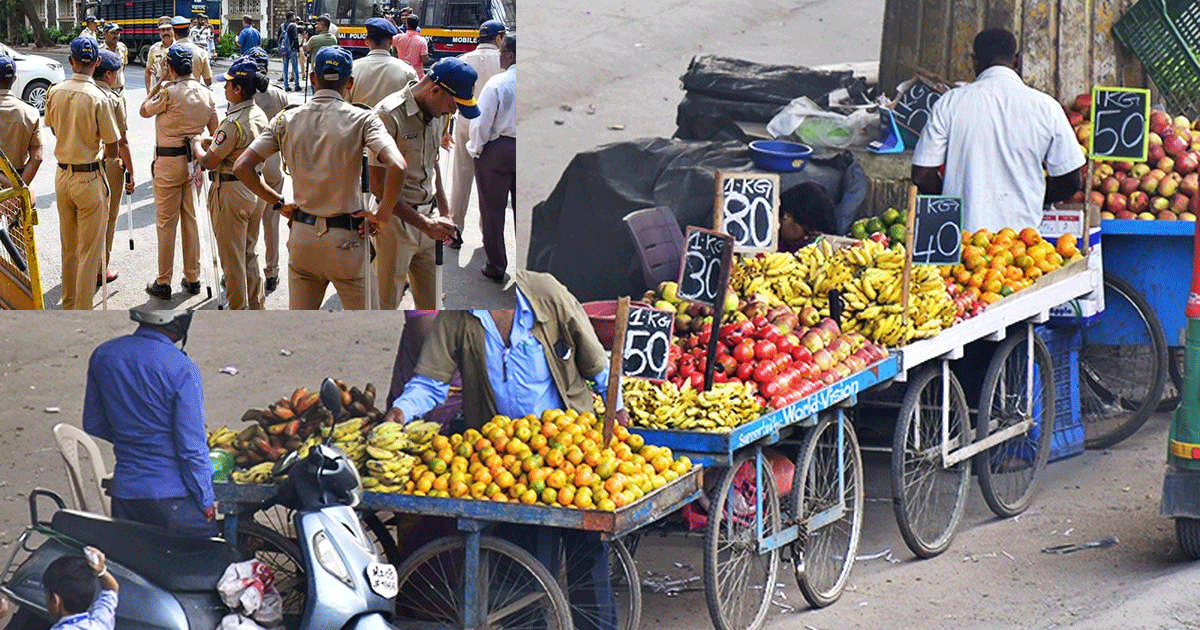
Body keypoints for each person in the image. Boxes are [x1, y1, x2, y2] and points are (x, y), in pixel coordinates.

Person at [385, 271, 625, 630]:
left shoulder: (547, 294)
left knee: (585, 555)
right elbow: (430, 383)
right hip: (506, 460)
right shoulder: (459, 316)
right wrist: (400, 412)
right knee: (518, 563)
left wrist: (616, 412)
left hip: (573, 451)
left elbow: (598, 365)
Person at [234, 46, 407, 310]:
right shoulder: (363, 119)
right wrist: (382, 215)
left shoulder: (286, 119)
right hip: (346, 240)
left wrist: (279, 203)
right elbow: (397, 165)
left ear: (313, 78)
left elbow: (242, 167)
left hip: (303, 236)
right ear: (349, 83)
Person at [911, 28, 1084, 232]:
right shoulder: (1046, 107)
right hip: (1023, 245)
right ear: (1017, 60)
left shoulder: (950, 103)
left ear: (974, 61)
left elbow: (922, 175)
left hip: (962, 240)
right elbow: (1072, 179)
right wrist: (1038, 197)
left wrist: (949, 203)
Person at [83, 310, 217, 537]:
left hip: (125, 495)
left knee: (135, 566)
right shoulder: (183, 368)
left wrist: (132, 438)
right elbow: (191, 446)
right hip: (173, 499)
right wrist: (206, 499)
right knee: (213, 559)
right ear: (178, 321)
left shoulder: (104, 355)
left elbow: (93, 422)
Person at [371, 57, 475, 309]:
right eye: (453, 104)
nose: (453, 112)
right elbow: (378, 187)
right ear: (435, 90)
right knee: (386, 304)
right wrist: (425, 224)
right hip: (396, 225)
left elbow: (433, 163)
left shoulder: (437, 113)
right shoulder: (388, 115)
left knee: (430, 308)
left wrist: (446, 213)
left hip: (429, 221)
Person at [44, 38, 120, 310]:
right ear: (97, 62)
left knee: (70, 249)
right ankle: (82, 312)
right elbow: (112, 148)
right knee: (89, 254)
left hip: (63, 176)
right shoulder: (100, 97)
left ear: (71, 60)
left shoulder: (55, 91)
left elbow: (53, 128)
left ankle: (69, 305)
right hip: (89, 177)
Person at [140, 43, 218, 301]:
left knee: (166, 224)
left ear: (170, 67)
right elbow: (215, 133)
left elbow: (143, 110)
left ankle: (164, 281)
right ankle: (193, 277)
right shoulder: (207, 94)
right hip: (194, 164)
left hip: (168, 164)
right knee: (191, 220)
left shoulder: (168, 92)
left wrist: (160, 79)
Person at [190, 58, 269, 310]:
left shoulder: (233, 122)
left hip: (232, 192)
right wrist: (213, 141)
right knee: (249, 254)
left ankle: (238, 311)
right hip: (254, 187)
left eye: (229, 84)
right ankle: (256, 307)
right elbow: (239, 145)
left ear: (237, 89)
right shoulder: (257, 114)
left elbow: (210, 162)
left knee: (232, 261)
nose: (224, 88)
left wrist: (196, 146)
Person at [447, 19, 504, 246]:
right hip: (494, 127)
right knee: (488, 181)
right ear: (499, 38)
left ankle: (455, 228)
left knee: (461, 177)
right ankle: (486, 232)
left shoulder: (463, 60)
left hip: (465, 121)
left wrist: (444, 129)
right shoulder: (505, 62)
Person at [469, 34, 515, 283]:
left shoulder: (498, 83)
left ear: (511, 55)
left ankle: (496, 265)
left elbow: (482, 122)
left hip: (498, 151)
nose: (500, 55)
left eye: (502, 51)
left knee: (492, 210)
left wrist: (476, 149)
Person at [245, 47, 288, 293]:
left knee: (247, 222)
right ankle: (271, 272)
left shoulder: (244, 93)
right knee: (271, 222)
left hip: (250, 163)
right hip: (273, 163)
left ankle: (243, 267)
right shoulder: (278, 95)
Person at [95, 51, 134, 287]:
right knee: (107, 219)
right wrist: (131, 170)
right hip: (107, 164)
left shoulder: (68, 92)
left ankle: (81, 267)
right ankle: (100, 269)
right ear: (108, 74)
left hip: (74, 166)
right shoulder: (112, 99)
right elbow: (122, 142)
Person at [42, 547, 118, 630]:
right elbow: (111, 589)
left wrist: (101, 571)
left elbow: (111, 589)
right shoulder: (100, 624)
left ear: (55, 600)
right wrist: (101, 571)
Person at [347, 17, 416, 108]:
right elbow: (414, 107)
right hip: (392, 122)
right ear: (391, 41)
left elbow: (344, 105)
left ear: (367, 41)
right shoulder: (407, 71)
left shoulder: (352, 69)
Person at [0, 54, 43, 189]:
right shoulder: (30, 112)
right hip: (20, 182)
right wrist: (17, 189)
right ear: (14, 79)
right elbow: (37, 157)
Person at [169, 15, 213, 87]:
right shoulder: (201, 52)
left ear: (174, 34)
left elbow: (160, 78)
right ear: (188, 32)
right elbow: (208, 81)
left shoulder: (167, 52)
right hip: (194, 95)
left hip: (173, 95)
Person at [391, 15, 427, 79]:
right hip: (417, 76)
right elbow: (424, 60)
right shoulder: (422, 41)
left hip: (401, 73)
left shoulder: (398, 38)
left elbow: (386, 43)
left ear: (407, 24)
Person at [144, 17, 174, 88]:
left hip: (176, 92)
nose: (165, 33)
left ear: (173, 30)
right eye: (163, 30)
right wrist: (149, 91)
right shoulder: (154, 49)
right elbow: (148, 72)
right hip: (160, 92)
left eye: (168, 29)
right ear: (159, 32)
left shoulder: (180, 47)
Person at [100, 24, 127, 97]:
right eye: (113, 33)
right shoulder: (100, 51)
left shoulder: (122, 48)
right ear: (105, 34)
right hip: (106, 92)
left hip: (121, 91)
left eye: (118, 33)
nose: (116, 36)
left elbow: (123, 66)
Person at [278, 11, 301, 92]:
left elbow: (279, 39)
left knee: (285, 67)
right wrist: (298, 50)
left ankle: (286, 85)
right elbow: (295, 38)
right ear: (291, 17)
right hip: (292, 49)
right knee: (295, 67)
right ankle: (297, 85)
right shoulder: (293, 26)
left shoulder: (282, 26)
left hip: (284, 50)